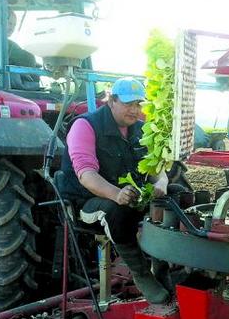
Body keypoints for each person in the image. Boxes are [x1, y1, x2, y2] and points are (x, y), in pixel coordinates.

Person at [59, 77, 173, 304]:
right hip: (89, 200)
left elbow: (157, 168)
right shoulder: (85, 126)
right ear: (111, 101)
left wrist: (161, 183)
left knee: (174, 196)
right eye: (129, 104)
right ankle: (142, 275)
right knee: (118, 212)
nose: (135, 110)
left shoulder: (141, 129)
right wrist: (116, 194)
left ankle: (161, 265)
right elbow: (86, 176)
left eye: (138, 104)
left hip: (130, 195)